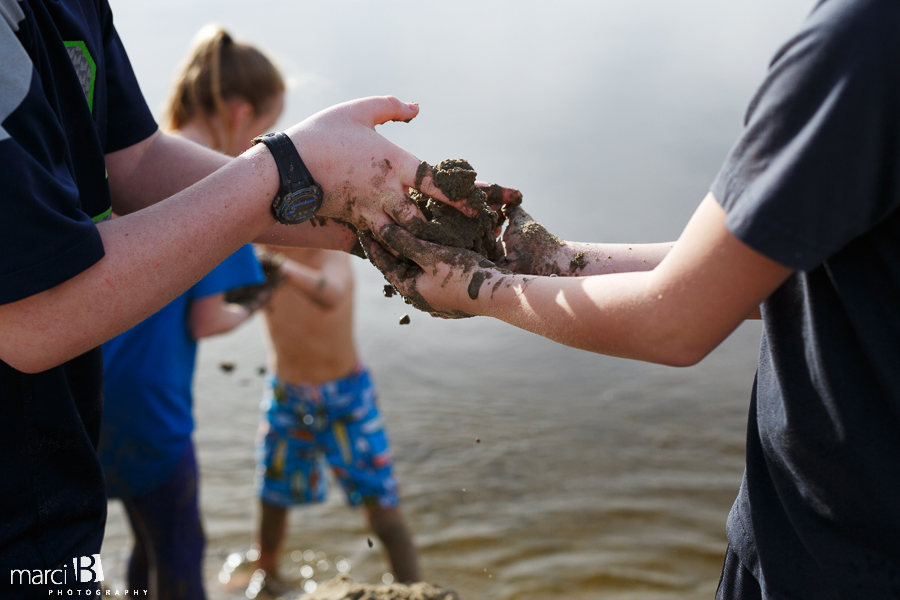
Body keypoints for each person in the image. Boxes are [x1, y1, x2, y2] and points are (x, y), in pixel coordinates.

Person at [363, 0, 900, 597]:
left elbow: (677, 322)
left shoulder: (866, 42)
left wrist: (480, 288)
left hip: (826, 563)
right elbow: (771, 273)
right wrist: (556, 264)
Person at [0, 0, 464, 596]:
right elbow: (37, 313)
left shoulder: (81, 9)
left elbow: (136, 159)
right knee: (184, 542)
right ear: (246, 114)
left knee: (148, 545)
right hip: (50, 475)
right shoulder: (229, 223)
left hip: (75, 447)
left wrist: (366, 222)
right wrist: (283, 170)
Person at [97, 26, 286, 599]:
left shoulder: (120, 164)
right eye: (265, 131)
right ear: (240, 113)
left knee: (136, 536)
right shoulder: (218, 188)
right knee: (178, 548)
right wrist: (257, 302)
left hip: (83, 393)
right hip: (151, 410)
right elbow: (207, 320)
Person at [246, 245, 420, 593]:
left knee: (380, 502)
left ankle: (414, 588)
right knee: (273, 495)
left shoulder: (326, 251)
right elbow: (227, 302)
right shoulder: (258, 251)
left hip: (347, 398)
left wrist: (280, 267)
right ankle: (264, 574)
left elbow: (332, 293)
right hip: (287, 396)